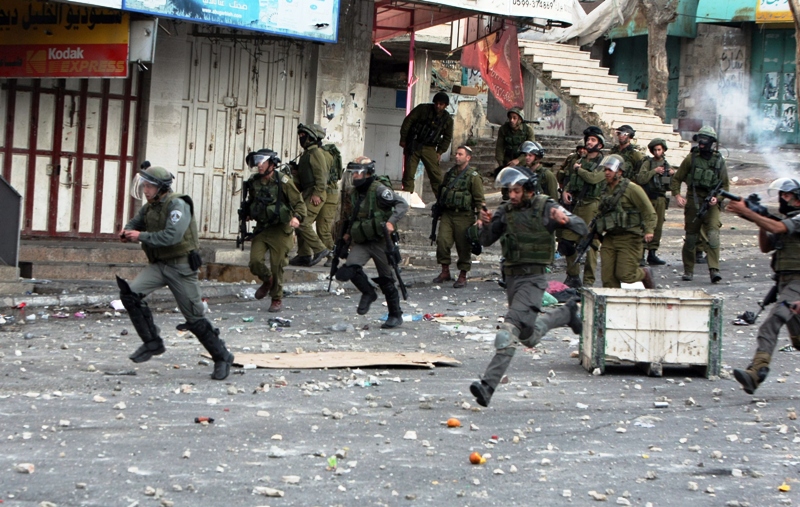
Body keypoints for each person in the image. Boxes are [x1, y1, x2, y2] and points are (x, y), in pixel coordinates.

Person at [469, 166, 587, 407]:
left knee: (507, 331)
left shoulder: (546, 207)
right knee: (528, 336)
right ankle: (566, 313)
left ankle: (488, 386)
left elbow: (581, 226)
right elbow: (486, 240)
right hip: (512, 279)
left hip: (533, 279)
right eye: (509, 190)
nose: (512, 195)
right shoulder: (505, 210)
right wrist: (482, 224)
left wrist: (566, 220)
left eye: (517, 190)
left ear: (529, 190)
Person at [118, 165, 234, 380]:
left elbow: (172, 236)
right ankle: (152, 343)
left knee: (194, 316)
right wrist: (126, 231)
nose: (145, 190)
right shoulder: (151, 207)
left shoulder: (177, 204)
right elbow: (136, 222)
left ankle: (222, 356)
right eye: (144, 185)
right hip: (159, 265)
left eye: (150, 185)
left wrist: (140, 236)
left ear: (161, 187)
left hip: (180, 267)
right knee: (130, 295)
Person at [729, 178, 800, 394]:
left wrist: (751, 214)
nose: (782, 198)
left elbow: (777, 227)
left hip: (797, 283)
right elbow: (765, 246)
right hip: (785, 283)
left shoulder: (797, 220)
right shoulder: (787, 219)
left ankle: (756, 373)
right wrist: (756, 219)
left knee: (771, 322)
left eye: (787, 195)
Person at [334, 157, 409, 329]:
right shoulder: (355, 194)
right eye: (353, 173)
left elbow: (402, 204)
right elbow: (352, 217)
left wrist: (391, 221)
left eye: (358, 173)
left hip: (381, 241)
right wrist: (346, 235)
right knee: (348, 269)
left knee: (387, 279)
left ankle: (395, 314)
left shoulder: (379, 190)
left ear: (368, 173)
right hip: (362, 241)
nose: (355, 177)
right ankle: (368, 292)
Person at [244, 149, 307, 313]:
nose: (259, 165)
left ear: (272, 164)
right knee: (255, 262)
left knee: (277, 264)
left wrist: (297, 218)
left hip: (281, 229)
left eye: (262, 162)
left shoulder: (283, 181)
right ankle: (268, 280)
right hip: (262, 229)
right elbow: (252, 202)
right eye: (257, 162)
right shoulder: (255, 182)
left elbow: (299, 203)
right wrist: (248, 213)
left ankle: (276, 298)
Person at [669, 126, 729, 283]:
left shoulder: (718, 161)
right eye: (700, 139)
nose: (701, 143)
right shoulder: (692, 159)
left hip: (711, 204)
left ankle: (714, 270)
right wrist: (677, 195)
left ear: (711, 142)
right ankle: (688, 270)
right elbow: (677, 178)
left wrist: (718, 198)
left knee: (713, 236)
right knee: (691, 238)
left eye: (705, 140)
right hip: (694, 202)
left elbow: (725, 186)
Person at [594, 155, 656, 288]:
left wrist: (649, 230)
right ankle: (613, 305)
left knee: (626, 275)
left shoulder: (632, 189)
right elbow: (600, 212)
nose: (607, 173)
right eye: (605, 170)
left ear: (620, 172)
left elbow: (648, 211)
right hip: (610, 237)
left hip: (630, 237)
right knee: (607, 278)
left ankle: (644, 273)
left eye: (610, 170)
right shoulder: (604, 189)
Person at [560, 126, 606, 288]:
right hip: (577, 204)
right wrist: (566, 191)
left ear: (600, 144)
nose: (589, 142)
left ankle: (588, 281)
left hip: (592, 205)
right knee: (566, 241)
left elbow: (594, 179)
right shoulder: (580, 161)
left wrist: (580, 171)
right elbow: (571, 180)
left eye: (593, 140)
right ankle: (573, 276)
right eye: (588, 139)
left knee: (590, 244)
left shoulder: (603, 163)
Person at [433, 145, 485, 288]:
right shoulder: (450, 174)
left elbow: (480, 200)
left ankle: (463, 275)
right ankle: (445, 271)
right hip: (448, 214)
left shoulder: (473, 177)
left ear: (468, 158)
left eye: (460, 154)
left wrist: (480, 218)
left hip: (464, 216)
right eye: (456, 154)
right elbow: (442, 192)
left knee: (463, 247)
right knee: (442, 242)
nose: (456, 156)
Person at [289, 123, 331, 267]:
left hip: (315, 193)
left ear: (311, 137)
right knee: (298, 220)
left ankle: (320, 250)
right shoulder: (306, 154)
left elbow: (321, 175)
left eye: (303, 136)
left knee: (303, 222)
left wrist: (318, 193)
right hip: (307, 192)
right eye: (300, 135)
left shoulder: (315, 153)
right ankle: (304, 255)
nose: (301, 138)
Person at [399, 92, 454, 195]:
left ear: (446, 105)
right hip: (414, 144)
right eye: (436, 103)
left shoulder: (447, 120)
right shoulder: (423, 109)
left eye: (441, 104)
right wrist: (403, 139)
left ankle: (442, 201)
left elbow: (447, 137)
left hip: (430, 148)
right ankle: (407, 198)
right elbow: (408, 121)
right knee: (409, 174)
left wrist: (440, 152)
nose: (438, 106)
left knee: (436, 175)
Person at [636, 138, 674, 266]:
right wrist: (654, 172)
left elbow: (671, 186)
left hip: (660, 199)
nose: (657, 152)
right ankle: (640, 254)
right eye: (655, 150)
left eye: (659, 149)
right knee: (645, 225)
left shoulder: (666, 165)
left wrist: (671, 175)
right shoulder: (648, 163)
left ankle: (652, 253)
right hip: (648, 198)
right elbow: (641, 178)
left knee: (657, 227)